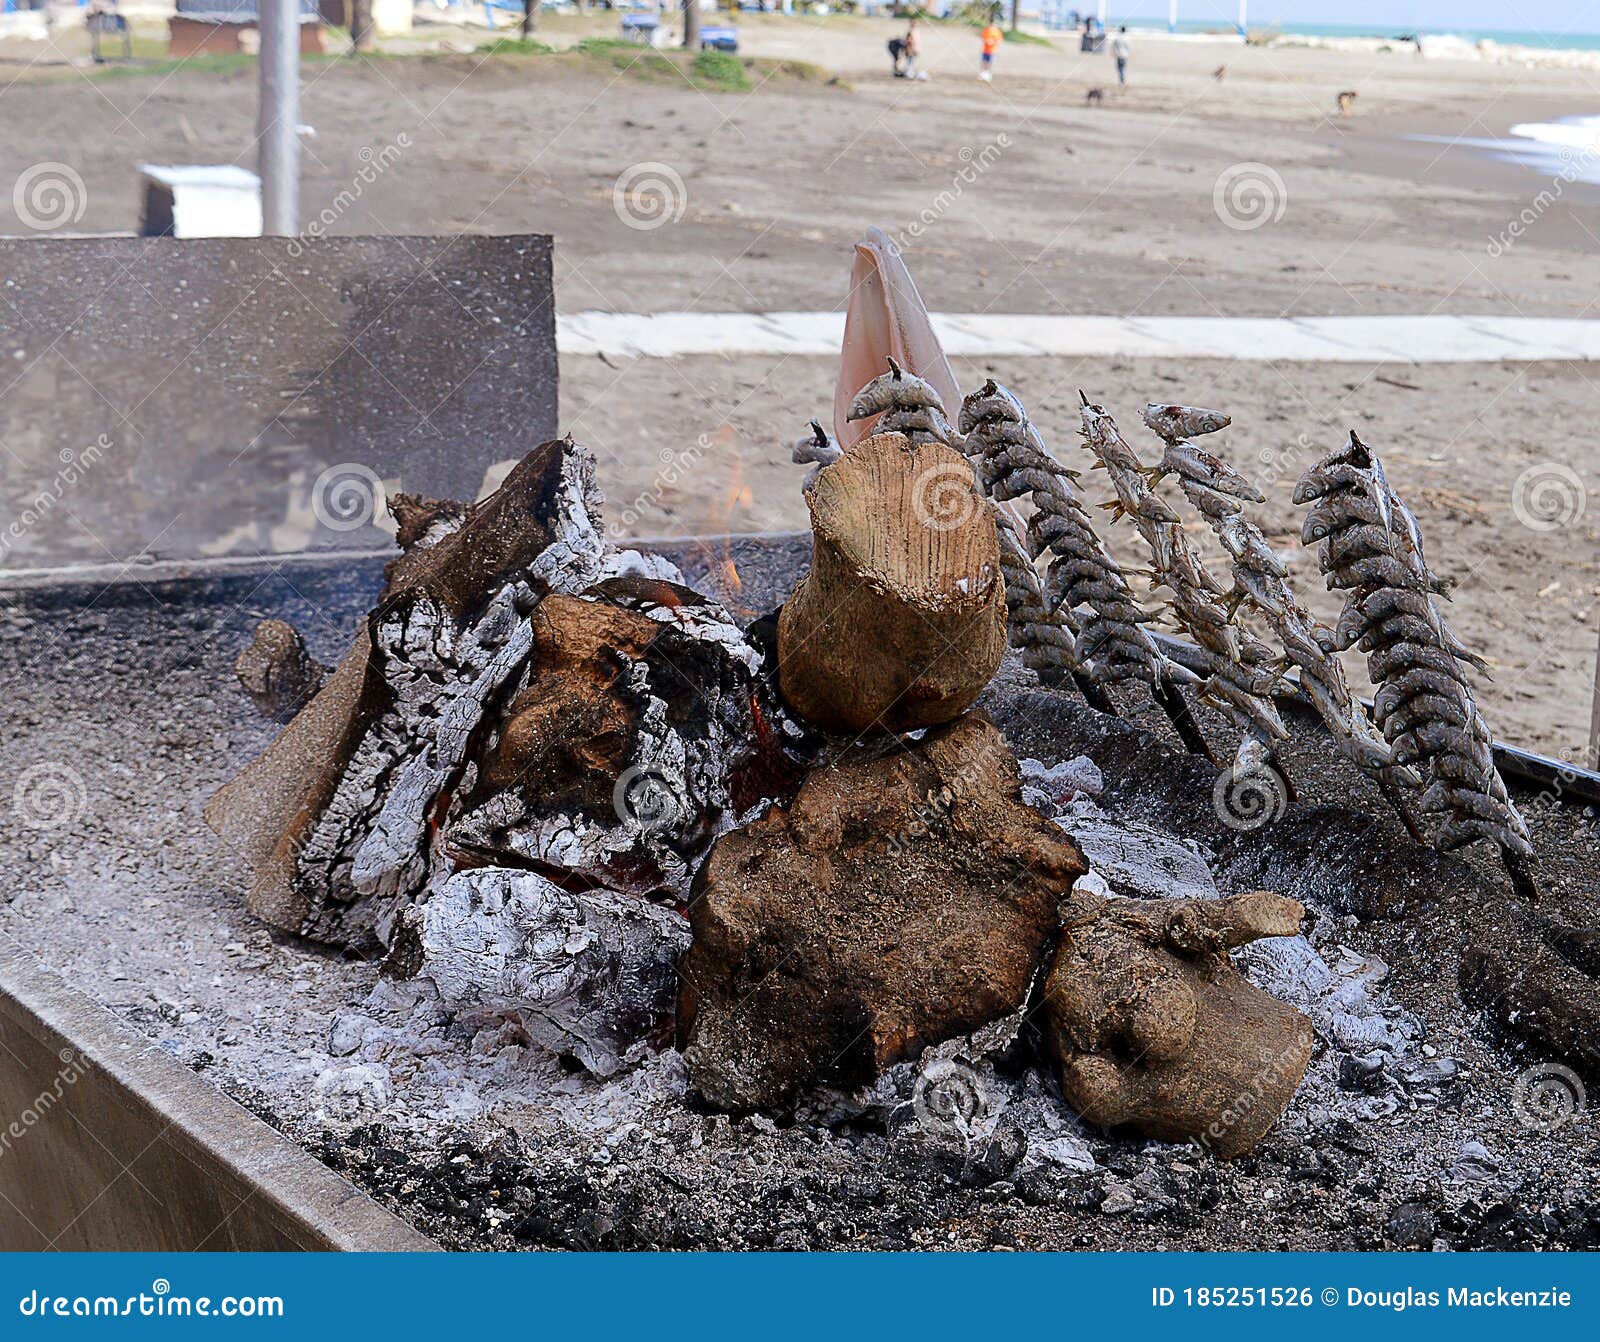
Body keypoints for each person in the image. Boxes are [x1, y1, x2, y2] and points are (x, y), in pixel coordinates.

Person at [979, 16, 1002, 82]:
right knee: (983, 62)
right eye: (990, 22)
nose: (991, 24)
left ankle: (988, 75)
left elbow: (999, 40)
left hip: (992, 50)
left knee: (990, 63)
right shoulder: (986, 29)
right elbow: (983, 38)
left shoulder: (997, 30)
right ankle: (983, 74)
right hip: (985, 49)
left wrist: (993, 42)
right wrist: (987, 41)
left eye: (992, 23)